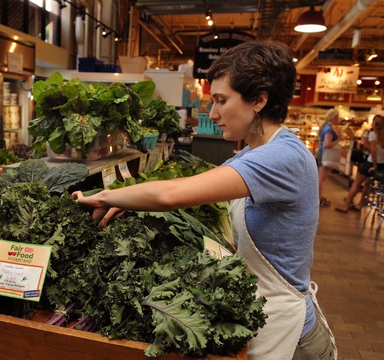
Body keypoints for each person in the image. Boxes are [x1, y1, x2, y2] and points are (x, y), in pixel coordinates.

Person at [73, 41, 336, 360]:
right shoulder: (254, 152)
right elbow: (184, 187)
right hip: (269, 316)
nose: (213, 114)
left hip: (296, 341)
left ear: (259, 100)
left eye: (222, 101)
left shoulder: (282, 157)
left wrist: (106, 195)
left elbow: (170, 195)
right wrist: (128, 199)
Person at [335, 115, 384, 212]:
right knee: (368, 184)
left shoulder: (373, 134)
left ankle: (346, 205)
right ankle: (361, 204)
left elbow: (373, 150)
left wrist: (374, 165)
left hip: (372, 163)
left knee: (357, 183)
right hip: (382, 164)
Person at [316, 109, 342, 207]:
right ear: (333, 117)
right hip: (325, 155)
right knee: (321, 178)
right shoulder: (329, 129)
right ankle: (318, 198)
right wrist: (339, 139)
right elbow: (327, 144)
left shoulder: (326, 127)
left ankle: (318, 197)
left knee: (320, 177)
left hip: (322, 153)